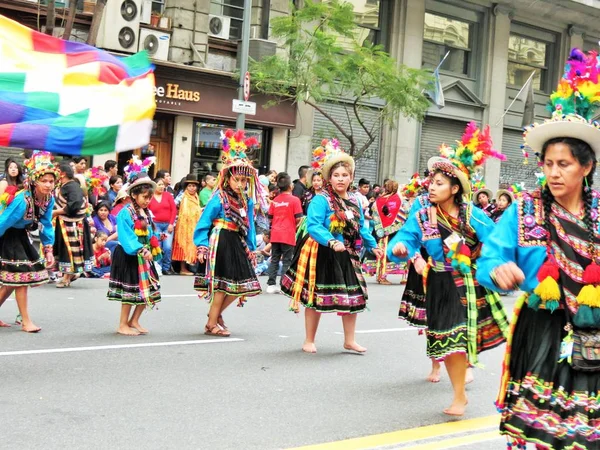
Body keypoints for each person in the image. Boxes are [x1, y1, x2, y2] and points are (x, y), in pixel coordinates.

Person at [476, 48, 600, 450]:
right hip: (542, 329)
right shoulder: (524, 209)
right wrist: (497, 271)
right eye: (547, 163)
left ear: (586, 167)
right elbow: (491, 256)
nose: (553, 172)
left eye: (563, 164)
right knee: (542, 431)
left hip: (594, 331)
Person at [389, 122, 509, 416]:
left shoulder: (474, 216)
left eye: (440, 183)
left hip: (468, 282)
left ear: (455, 189)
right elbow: (403, 239)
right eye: (431, 182)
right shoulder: (422, 216)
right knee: (448, 342)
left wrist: (498, 266)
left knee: (459, 339)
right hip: (439, 282)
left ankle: (458, 394)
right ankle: (459, 394)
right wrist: (400, 249)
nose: (431, 186)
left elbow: (496, 242)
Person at [281, 139, 383, 354]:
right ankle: (309, 339)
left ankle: (349, 340)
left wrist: (373, 246)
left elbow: (361, 227)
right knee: (314, 297)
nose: (341, 179)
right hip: (322, 252)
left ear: (351, 177)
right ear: (329, 178)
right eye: (336, 175)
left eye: (345, 175)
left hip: (347, 253)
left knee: (353, 297)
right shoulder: (322, 200)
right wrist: (331, 240)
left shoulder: (354, 201)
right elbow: (315, 225)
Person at [194, 129, 265, 336]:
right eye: (237, 180)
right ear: (228, 179)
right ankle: (212, 323)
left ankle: (213, 317)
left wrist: (251, 248)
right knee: (222, 285)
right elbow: (204, 222)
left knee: (242, 285)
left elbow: (250, 226)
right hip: (221, 239)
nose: (241, 184)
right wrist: (201, 245)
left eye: (244, 181)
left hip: (238, 242)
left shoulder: (247, 201)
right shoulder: (219, 197)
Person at [0, 151, 57, 332]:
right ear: (34, 180)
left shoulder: (48, 199)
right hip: (7, 235)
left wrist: (48, 249)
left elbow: (47, 224)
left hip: (21, 236)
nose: (48, 185)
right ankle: (26, 322)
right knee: (21, 277)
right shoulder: (22, 200)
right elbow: (3, 222)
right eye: (44, 181)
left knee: (11, 281)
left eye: (51, 181)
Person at [107, 167, 161, 336]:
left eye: (150, 197)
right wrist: (142, 249)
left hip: (145, 255)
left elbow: (150, 233)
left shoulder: (147, 213)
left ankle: (134, 320)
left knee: (150, 289)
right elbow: (126, 236)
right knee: (129, 292)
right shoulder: (125, 213)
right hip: (130, 255)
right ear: (134, 196)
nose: (148, 200)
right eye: (145, 197)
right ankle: (122, 324)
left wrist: (155, 243)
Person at [52, 161, 94, 288]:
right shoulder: (65, 186)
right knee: (64, 249)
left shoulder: (72, 186)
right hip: (65, 222)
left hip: (73, 224)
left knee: (69, 249)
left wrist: (57, 212)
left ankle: (67, 277)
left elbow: (75, 203)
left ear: (63, 173)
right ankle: (68, 275)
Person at [363, 179, 406, 284]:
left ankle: (381, 275)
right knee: (399, 251)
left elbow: (374, 214)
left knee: (382, 252)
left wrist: (381, 228)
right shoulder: (398, 199)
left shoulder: (379, 200)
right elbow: (404, 214)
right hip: (396, 231)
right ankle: (399, 277)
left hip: (381, 232)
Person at [266, 172, 303, 294]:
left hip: (275, 233)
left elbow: (270, 217)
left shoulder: (275, 200)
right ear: (290, 186)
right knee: (287, 260)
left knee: (275, 258)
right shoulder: (295, 200)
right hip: (288, 233)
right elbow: (299, 218)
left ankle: (271, 284)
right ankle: (284, 285)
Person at [172, 174, 202, 275]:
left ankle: (190, 266)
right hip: (183, 226)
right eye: (189, 186)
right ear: (186, 187)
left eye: (194, 186)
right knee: (183, 245)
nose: (192, 188)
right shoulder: (182, 196)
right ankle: (183, 268)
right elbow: (173, 205)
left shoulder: (196, 197)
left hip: (194, 224)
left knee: (192, 245)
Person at [148, 176, 176, 275]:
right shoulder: (150, 196)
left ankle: (166, 267)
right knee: (158, 246)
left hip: (167, 225)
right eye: (159, 185)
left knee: (167, 247)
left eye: (162, 185)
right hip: (156, 225)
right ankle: (157, 267)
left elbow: (174, 210)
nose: (161, 187)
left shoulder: (168, 195)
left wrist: (171, 224)